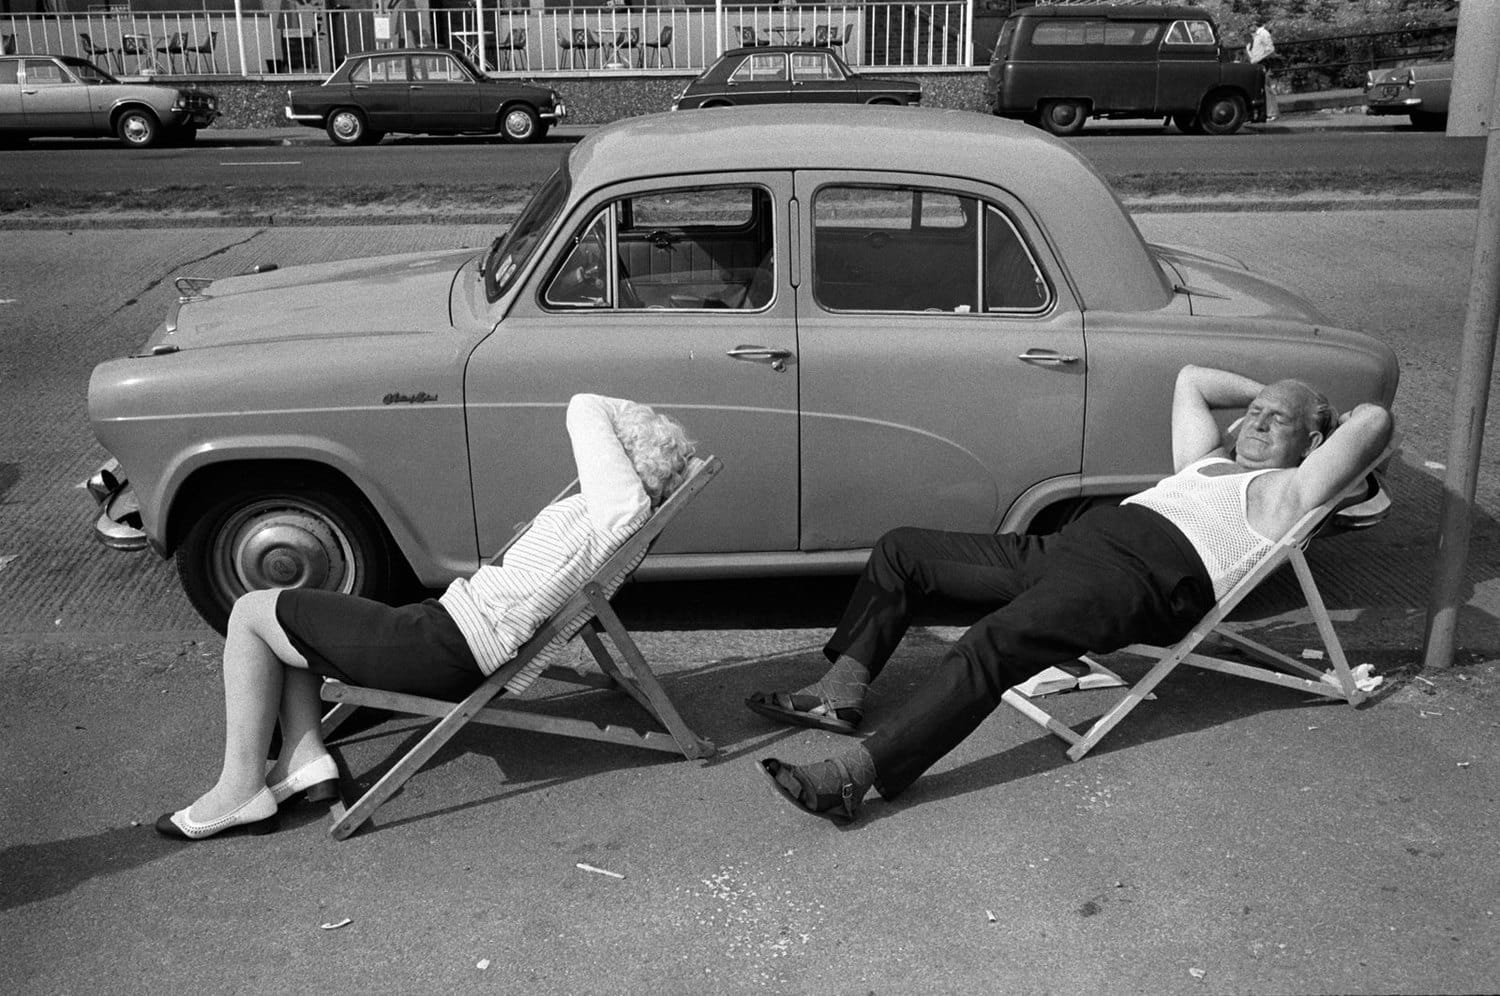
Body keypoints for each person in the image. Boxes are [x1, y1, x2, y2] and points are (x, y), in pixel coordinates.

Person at [750, 365, 1393, 824]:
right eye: (1252, 415)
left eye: (1276, 422)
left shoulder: (1287, 494)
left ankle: (852, 778)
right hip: (1068, 552)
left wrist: (1315, 412)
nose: (1254, 423)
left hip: (1137, 580)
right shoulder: (1207, 462)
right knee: (904, 549)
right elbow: (1191, 378)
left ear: (1313, 445)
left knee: (990, 645)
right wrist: (1272, 392)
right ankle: (840, 695)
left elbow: (1375, 419)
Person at [157, 394, 695, 840]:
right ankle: (303, 761)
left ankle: (240, 787)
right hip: (441, 628)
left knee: (252, 610)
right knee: (285, 621)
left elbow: (584, 405)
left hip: (444, 647)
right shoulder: (608, 513)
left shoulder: (619, 510)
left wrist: (628, 418)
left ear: (623, 462)